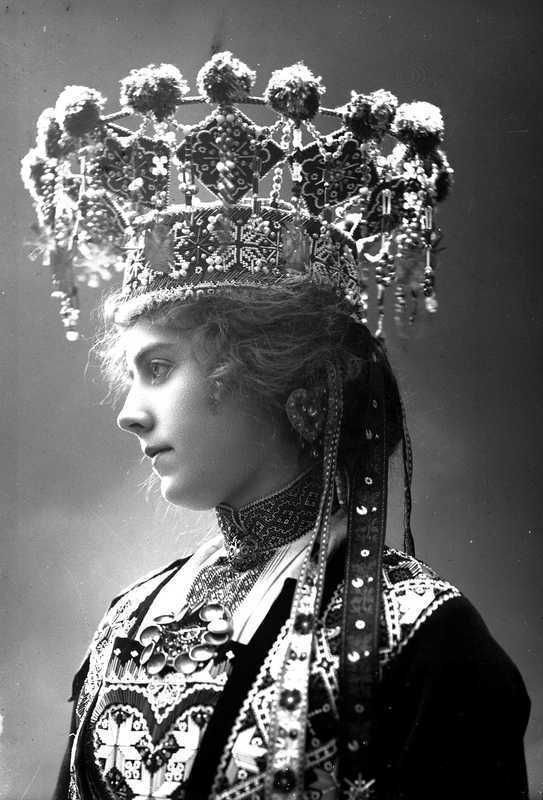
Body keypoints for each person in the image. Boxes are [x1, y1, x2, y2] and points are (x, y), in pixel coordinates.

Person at [22, 53, 530, 799]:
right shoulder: (125, 622)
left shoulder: (421, 638)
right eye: (130, 376)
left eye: (159, 368)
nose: (130, 414)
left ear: (269, 373)